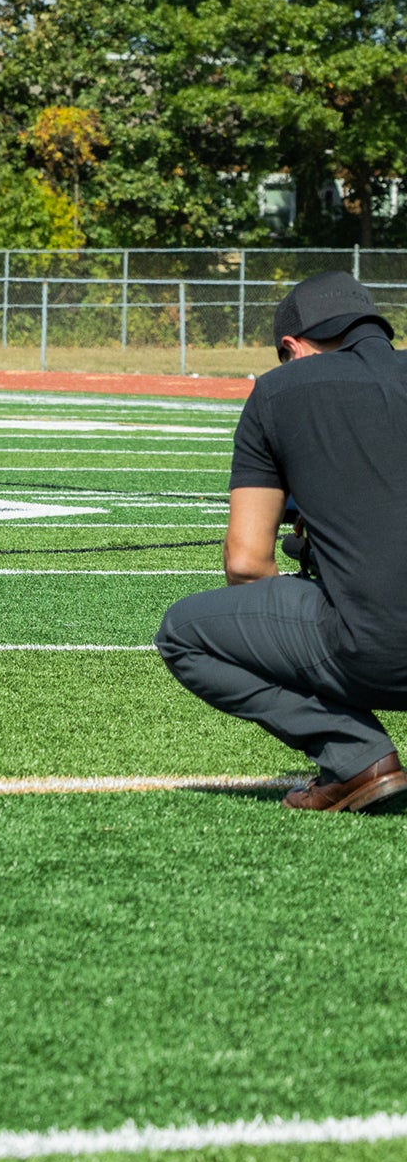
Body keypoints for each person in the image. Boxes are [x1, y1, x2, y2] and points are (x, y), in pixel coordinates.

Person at [156, 269, 407, 813]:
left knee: (183, 633)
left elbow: (247, 563)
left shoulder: (279, 390)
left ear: (293, 346)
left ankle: (357, 755)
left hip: (379, 652)